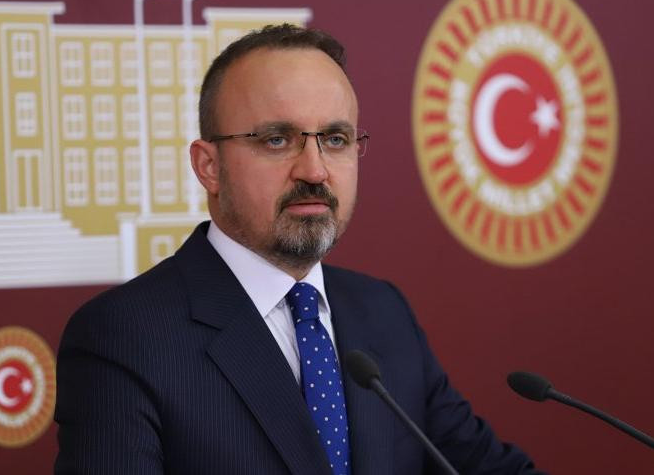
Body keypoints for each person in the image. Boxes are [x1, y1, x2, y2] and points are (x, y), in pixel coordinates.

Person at [55, 24, 543, 475]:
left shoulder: (383, 312)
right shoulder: (124, 337)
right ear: (209, 167)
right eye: (276, 140)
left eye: (335, 139)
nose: (314, 170)